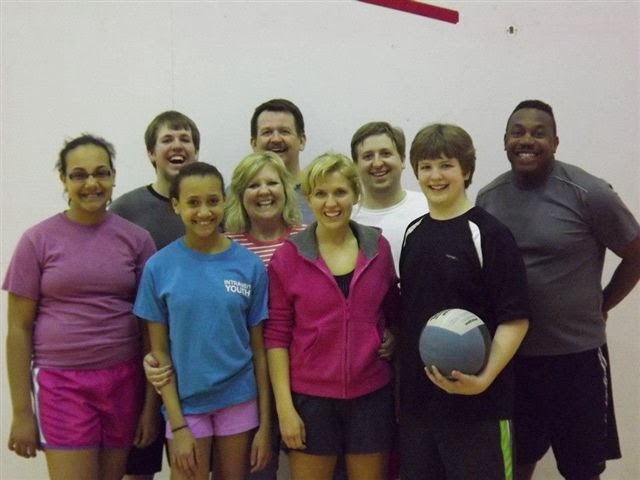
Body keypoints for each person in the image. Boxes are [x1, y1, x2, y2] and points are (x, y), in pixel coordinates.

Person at [476, 100, 640, 480]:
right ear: (504, 141)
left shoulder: (589, 193)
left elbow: (635, 255)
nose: (527, 140)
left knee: (582, 469)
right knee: (513, 465)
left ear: (555, 141)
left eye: (538, 132)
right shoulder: (488, 198)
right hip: (512, 360)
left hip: (577, 359)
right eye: (518, 132)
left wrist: (604, 302)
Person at [3, 135, 157, 479]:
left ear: (114, 176)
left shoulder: (137, 239)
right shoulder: (37, 240)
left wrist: (150, 405)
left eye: (101, 173)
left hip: (124, 380)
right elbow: (18, 330)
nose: (91, 183)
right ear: (64, 179)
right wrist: (21, 412)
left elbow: (151, 326)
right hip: (61, 384)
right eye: (79, 175)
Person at [399, 124, 530, 480]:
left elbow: (515, 318)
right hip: (419, 409)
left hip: (478, 407)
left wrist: (484, 379)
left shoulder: (489, 234)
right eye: (426, 167)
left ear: (466, 170)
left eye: (445, 165)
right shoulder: (414, 233)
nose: (435, 176)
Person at [265, 152, 399, 480]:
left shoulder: (378, 248)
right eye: (320, 193)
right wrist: (285, 409)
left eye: (340, 192)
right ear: (308, 198)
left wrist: (393, 334)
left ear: (355, 194)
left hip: (371, 395)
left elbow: (392, 309)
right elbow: (277, 337)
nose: (331, 203)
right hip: (310, 400)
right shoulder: (288, 257)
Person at [133, 162, 271, 480]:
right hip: (186, 405)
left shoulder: (250, 266)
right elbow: (160, 354)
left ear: (223, 202)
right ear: (176, 205)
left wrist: (265, 424)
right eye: (193, 202)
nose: (204, 211)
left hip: (239, 398)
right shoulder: (159, 267)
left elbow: (259, 349)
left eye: (212, 200)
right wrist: (177, 424)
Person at [110, 110, 200, 480]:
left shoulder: (213, 205)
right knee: (139, 465)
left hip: (196, 360)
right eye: (167, 139)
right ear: (151, 152)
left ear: (196, 151)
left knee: (192, 466)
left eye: (185, 139)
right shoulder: (126, 210)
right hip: (143, 360)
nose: (177, 146)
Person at [350, 121, 426, 273]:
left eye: (386, 153)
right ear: (355, 166)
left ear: (403, 160)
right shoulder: (346, 219)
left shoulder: (427, 208)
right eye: (368, 156)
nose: (377, 163)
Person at [250, 98, 315, 224]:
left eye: (284, 131)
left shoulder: (321, 193)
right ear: (254, 143)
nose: (276, 139)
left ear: (301, 141)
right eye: (267, 132)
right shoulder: (233, 196)